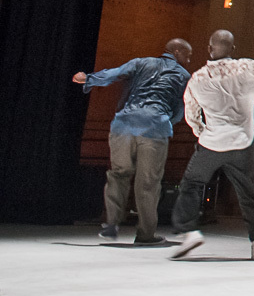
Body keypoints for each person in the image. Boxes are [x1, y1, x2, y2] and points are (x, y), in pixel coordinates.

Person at [168, 18, 254, 261]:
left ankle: (189, 232)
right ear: (233, 50)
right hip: (243, 142)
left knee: (191, 184)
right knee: (248, 192)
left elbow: (191, 115)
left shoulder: (197, 79)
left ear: (210, 49)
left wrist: (203, 135)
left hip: (212, 143)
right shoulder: (246, 68)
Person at [74, 38, 193, 244]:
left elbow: (115, 73)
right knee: (148, 183)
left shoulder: (141, 62)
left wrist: (89, 79)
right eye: (187, 55)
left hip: (123, 126)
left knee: (118, 175)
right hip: (155, 128)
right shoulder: (184, 76)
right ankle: (146, 235)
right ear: (176, 51)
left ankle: (111, 225)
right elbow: (180, 109)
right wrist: (166, 123)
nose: (189, 60)